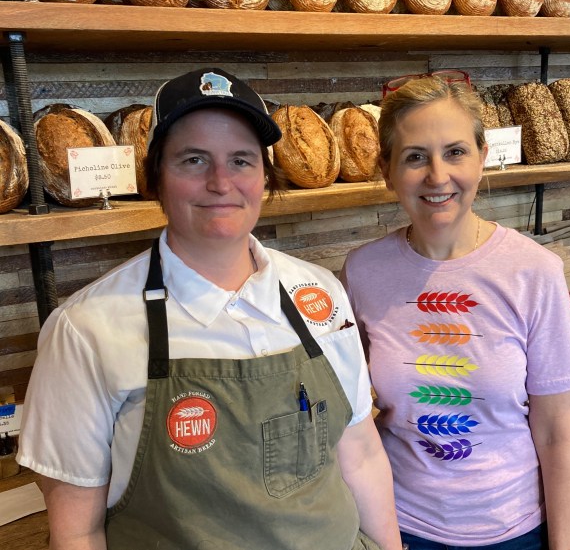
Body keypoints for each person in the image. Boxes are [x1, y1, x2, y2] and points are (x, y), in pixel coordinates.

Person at [17, 67, 402, 550]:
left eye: (241, 160)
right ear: (154, 177)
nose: (221, 182)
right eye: (193, 160)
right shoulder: (86, 328)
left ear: (265, 176)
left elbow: (361, 454)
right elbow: (77, 530)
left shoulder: (319, 292)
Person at [339, 75, 570, 550]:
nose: (437, 176)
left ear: (481, 157)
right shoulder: (363, 272)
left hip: (516, 529)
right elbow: (354, 418)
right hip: (402, 525)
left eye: (455, 152)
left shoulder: (533, 271)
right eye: (415, 157)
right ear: (388, 171)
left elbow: (557, 433)